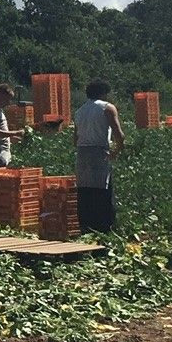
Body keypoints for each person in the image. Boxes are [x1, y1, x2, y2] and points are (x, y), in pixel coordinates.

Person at [73, 80, 126, 232]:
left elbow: (75, 140)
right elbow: (119, 134)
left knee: (84, 191)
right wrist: (116, 151)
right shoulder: (107, 108)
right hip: (99, 151)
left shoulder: (80, 111)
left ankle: (86, 227)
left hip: (82, 154)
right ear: (103, 93)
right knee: (102, 191)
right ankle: (103, 228)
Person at [0, 84, 27, 168]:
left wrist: (11, 138)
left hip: (5, 149)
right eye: (6, 100)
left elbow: (2, 131)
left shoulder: (0, 111)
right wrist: (16, 132)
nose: (8, 103)